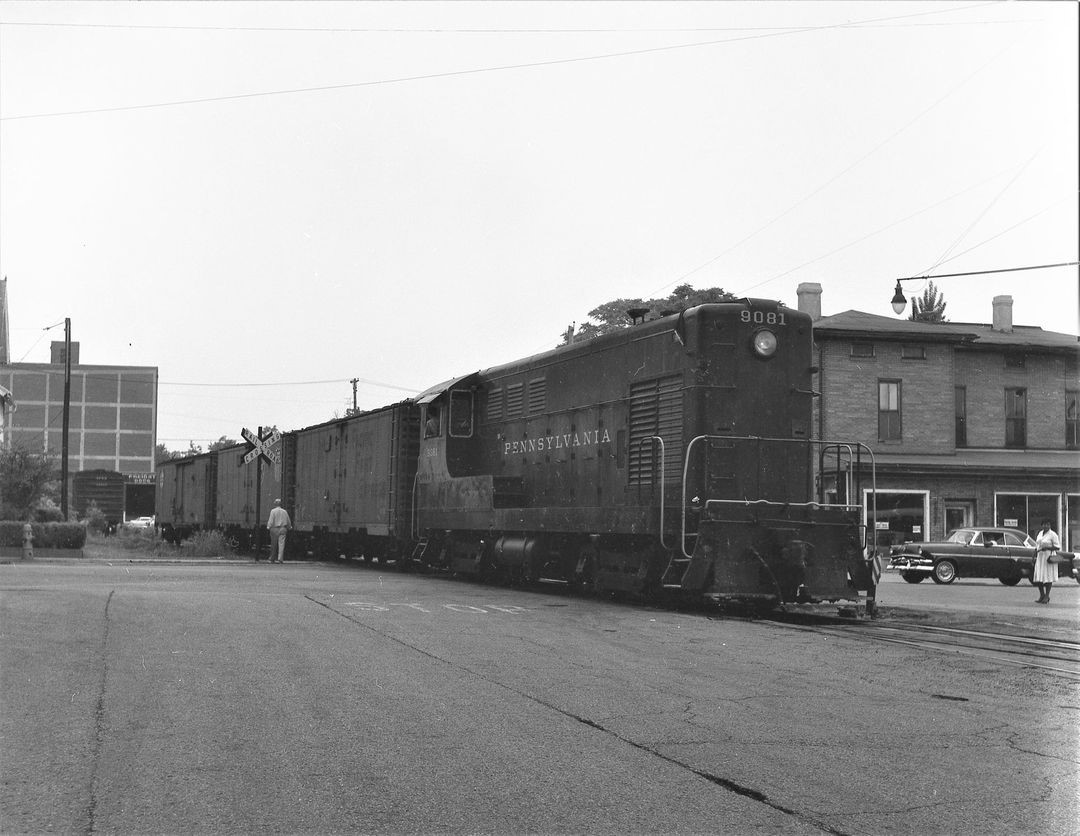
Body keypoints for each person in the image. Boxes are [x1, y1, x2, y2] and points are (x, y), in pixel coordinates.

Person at [1032, 519, 1060, 604]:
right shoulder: (1040, 533)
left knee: (1048, 576)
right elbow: (1037, 546)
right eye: (1044, 524)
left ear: (1050, 525)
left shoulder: (1053, 534)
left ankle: (1047, 596)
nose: (1046, 526)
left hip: (1048, 557)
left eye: (1048, 524)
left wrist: (1047, 548)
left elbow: (1057, 547)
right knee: (1038, 576)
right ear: (1042, 525)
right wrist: (1033, 557)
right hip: (1040, 557)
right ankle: (1042, 595)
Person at [266, 499, 291, 564]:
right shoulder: (284, 511)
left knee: (273, 544)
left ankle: (272, 559)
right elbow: (288, 520)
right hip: (283, 528)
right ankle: (280, 559)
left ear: (275, 504)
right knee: (281, 544)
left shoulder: (273, 511)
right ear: (280, 504)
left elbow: (271, 520)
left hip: (274, 528)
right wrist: (289, 527)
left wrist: (268, 526)